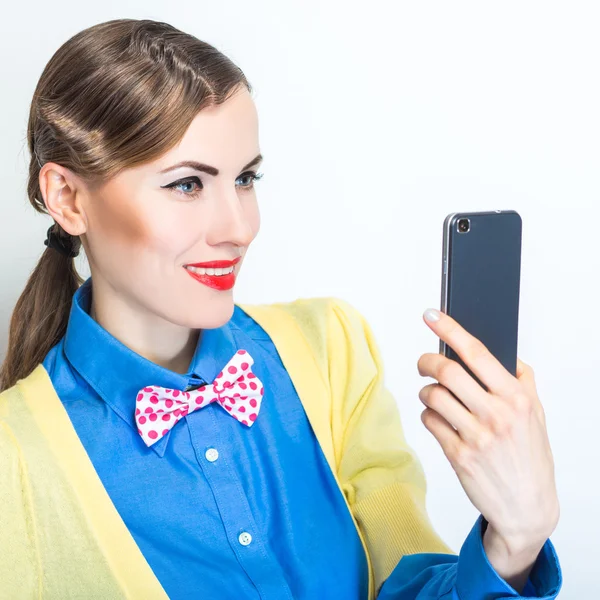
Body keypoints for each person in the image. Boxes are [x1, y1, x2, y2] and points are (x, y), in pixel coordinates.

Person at [0, 18, 562, 600]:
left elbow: (409, 582)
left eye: (245, 178)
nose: (241, 228)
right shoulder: (12, 462)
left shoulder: (331, 349)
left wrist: (514, 541)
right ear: (67, 197)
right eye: (187, 184)